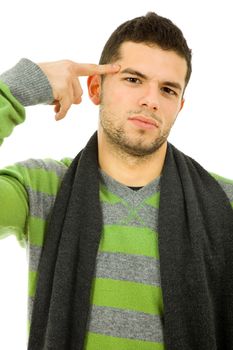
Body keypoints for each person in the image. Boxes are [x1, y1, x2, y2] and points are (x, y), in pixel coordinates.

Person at [0, 11, 233, 350]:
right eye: (133, 80)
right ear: (96, 87)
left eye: (167, 90)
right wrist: (19, 87)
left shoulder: (224, 202)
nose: (151, 101)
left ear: (179, 106)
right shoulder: (41, 189)